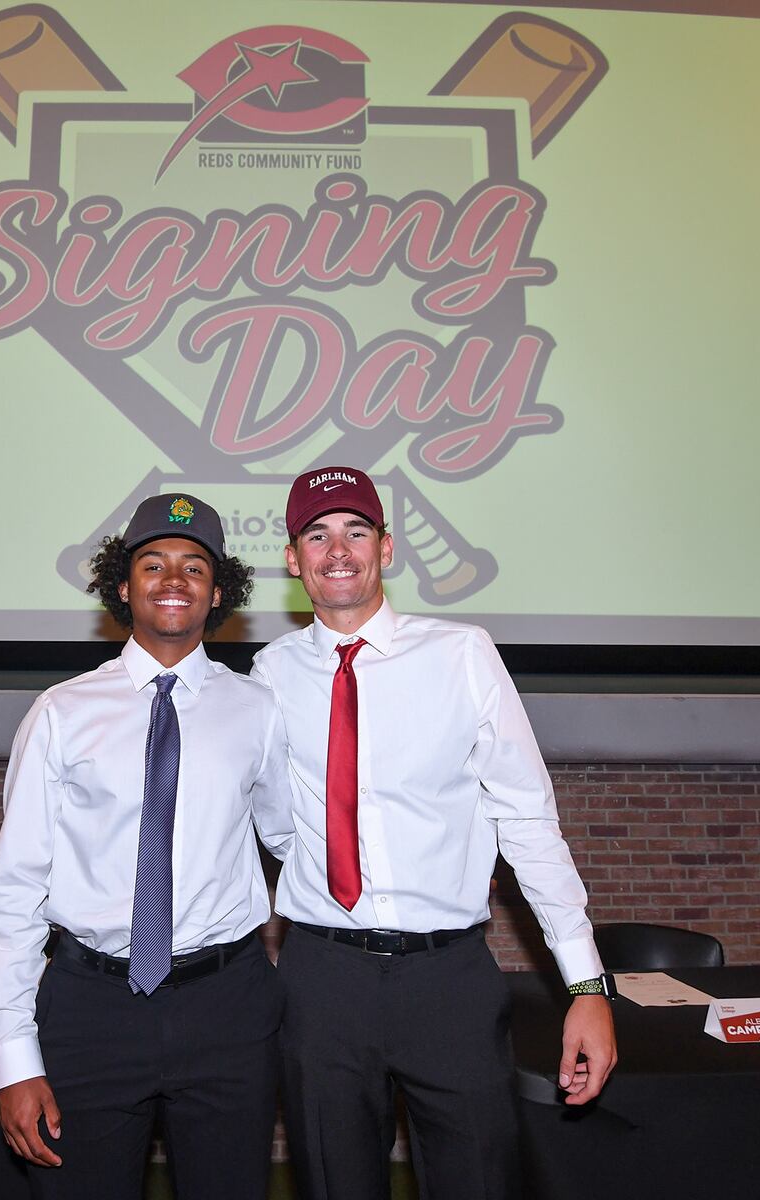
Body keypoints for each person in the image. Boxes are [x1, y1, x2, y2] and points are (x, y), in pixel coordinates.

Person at [251, 466, 618, 1200]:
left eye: (357, 531)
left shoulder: (462, 654)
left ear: (387, 547)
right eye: (317, 535)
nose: (339, 550)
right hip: (323, 981)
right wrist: (330, 874)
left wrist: (586, 984)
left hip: (446, 981)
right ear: (293, 559)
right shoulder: (269, 672)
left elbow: (527, 819)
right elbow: (280, 826)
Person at [0, 492, 292, 1200]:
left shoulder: (257, 712)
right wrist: (14, 1059)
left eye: (193, 566)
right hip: (91, 1010)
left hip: (228, 1010)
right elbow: (13, 895)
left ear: (218, 594)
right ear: (123, 585)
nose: (173, 579)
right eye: (153, 564)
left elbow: (295, 841)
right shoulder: (61, 713)